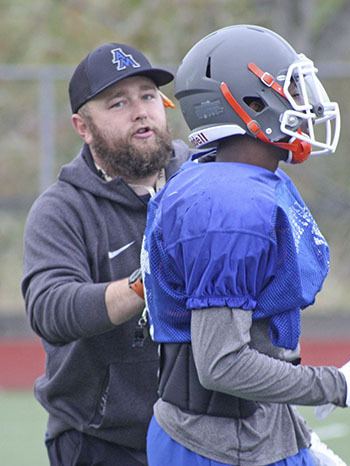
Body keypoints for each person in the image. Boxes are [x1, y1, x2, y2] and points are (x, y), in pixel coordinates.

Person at [141, 25, 350, 466]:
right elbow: (223, 364)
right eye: (291, 88)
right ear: (251, 103)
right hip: (216, 446)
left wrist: (297, 435)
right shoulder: (226, 205)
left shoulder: (239, 179)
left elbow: (254, 337)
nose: (306, 102)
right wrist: (338, 385)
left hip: (252, 431)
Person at [21, 42, 192, 466]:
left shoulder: (199, 175)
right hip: (100, 441)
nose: (140, 111)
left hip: (197, 431)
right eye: (118, 103)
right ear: (82, 126)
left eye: (148, 96)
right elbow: (50, 308)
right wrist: (144, 283)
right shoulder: (62, 209)